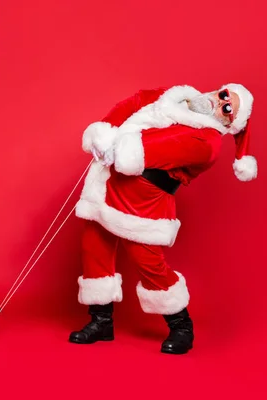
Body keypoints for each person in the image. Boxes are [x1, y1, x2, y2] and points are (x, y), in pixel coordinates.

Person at [69, 83, 257, 354]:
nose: (219, 102)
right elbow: (136, 101)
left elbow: (150, 149)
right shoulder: (177, 97)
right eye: (224, 95)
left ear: (229, 124)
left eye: (228, 109)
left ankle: (182, 327)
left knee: (149, 264)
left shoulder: (208, 142)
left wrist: (115, 146)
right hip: (107, 187)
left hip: (143, 204)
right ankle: (100, 321)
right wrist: (104, 131)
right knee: (94, 247)